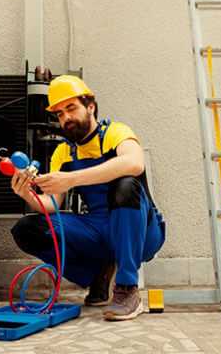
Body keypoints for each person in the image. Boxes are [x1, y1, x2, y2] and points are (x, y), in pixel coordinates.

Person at [10, 75, 165, 321]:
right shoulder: (62, 153)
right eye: (60, 113)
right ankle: (98, 275)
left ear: (90, 106)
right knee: (27, 229)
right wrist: (27, 193)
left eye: (71, 108)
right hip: (97, 229)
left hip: (141, 231)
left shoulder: (116, 132)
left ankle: (127, 288)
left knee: (125, 185)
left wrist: (72, 179)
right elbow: (51, 205)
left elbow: (134, 163)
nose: (66, 118)